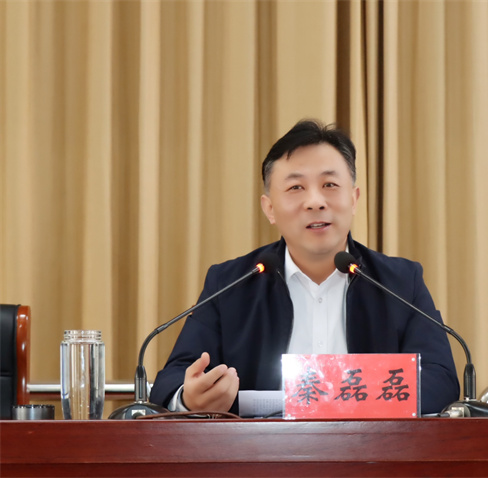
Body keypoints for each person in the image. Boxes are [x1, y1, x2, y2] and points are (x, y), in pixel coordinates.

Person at [149, 119, 459, 415]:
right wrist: (189, 398)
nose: (315, 201)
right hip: (261, 452)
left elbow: (441, 380)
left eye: (330, 184)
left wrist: (349, 398)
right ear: (270, 208)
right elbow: (172, 380)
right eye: (296, 188)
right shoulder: (231, 283)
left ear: (354, 199)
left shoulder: (400, 282)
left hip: (375, 450)